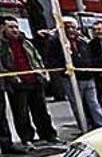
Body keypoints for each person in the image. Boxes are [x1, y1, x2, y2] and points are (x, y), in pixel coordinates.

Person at [0, 17, 60, 146]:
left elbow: (36, 57)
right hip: (17, 83)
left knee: (41, 111)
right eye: (10, 27)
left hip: (34, 80)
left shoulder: (26, 42)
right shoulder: (2, 45)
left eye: (16, 26)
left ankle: (48, 135)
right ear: (3, 28)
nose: (14, 30)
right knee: (21, 114)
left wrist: (41, 71)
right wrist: (13, 77)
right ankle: (27, 139)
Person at [46, 17, 102, 131]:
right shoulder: (56, 43)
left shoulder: (82, 41)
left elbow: (89, 56)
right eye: (67, 27)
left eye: (73, 27)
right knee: (78, 105)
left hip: (88, 77)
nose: (71, 30)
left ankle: (101, 125)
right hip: (72, 79)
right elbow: (51, 60)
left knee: (93, 103)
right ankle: (85, 126)